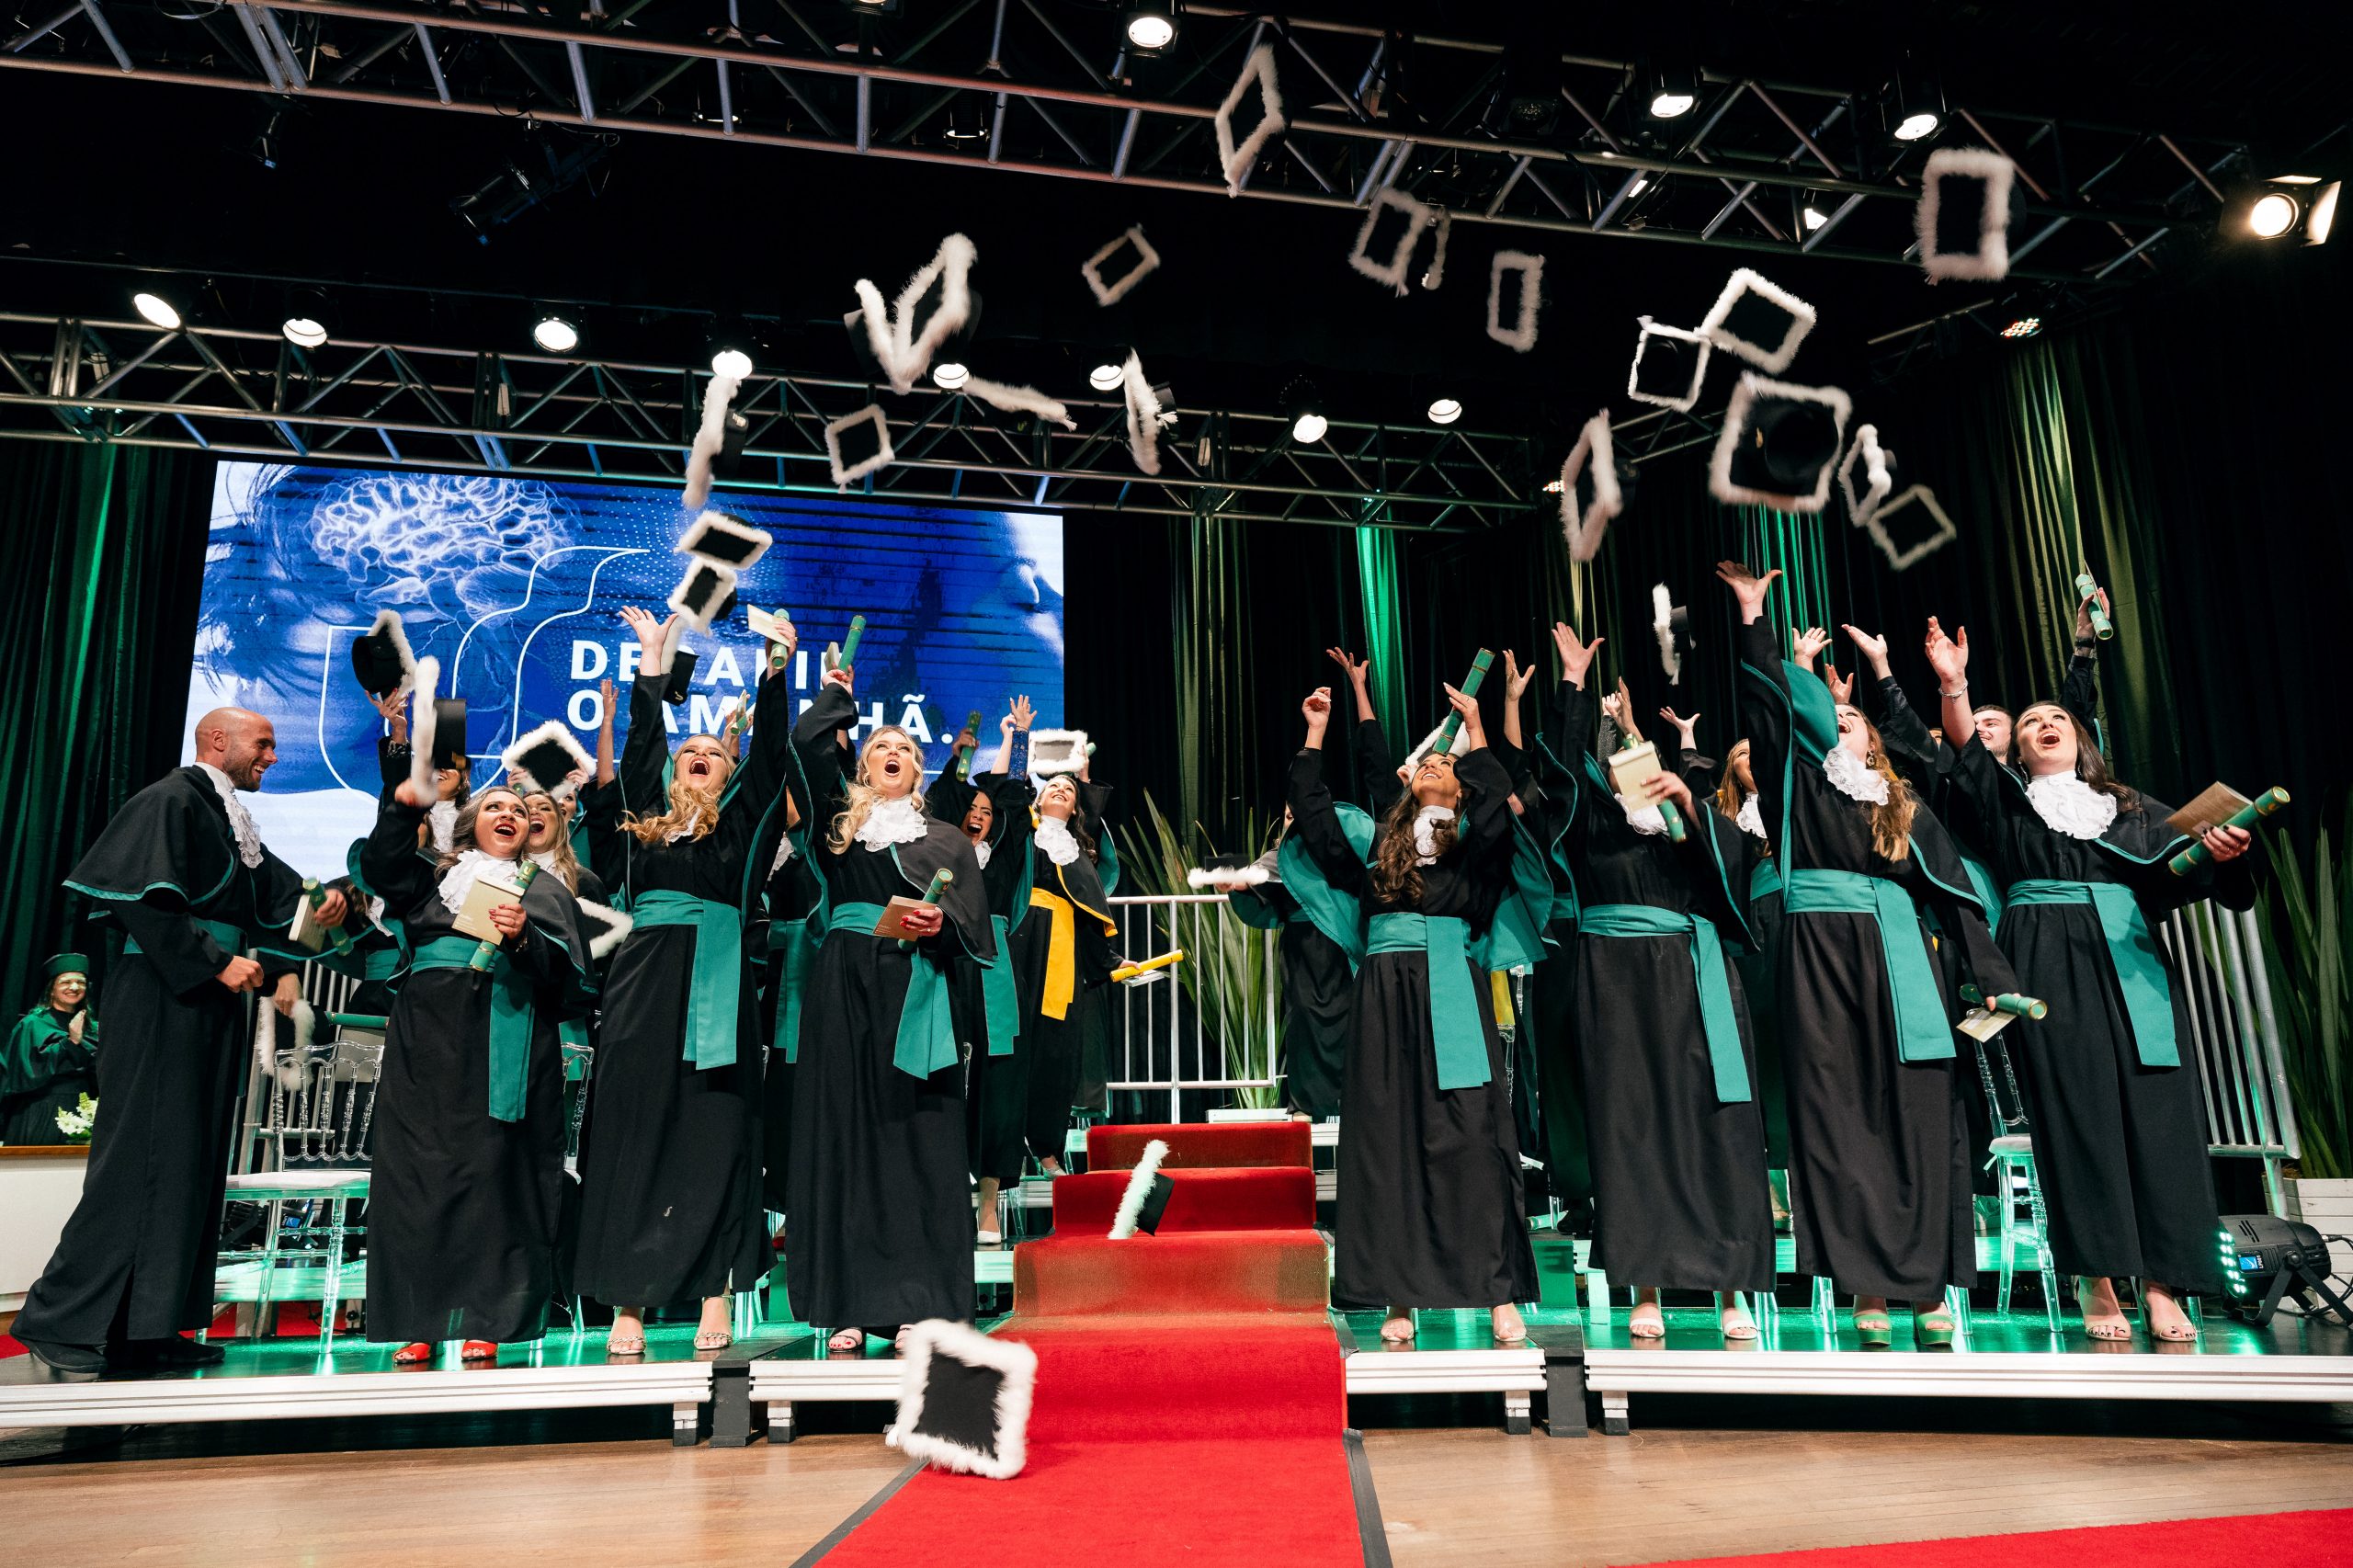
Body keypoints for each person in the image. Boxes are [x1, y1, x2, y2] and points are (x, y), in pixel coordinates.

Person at [1927, 617, 2254, 1342]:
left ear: (2081, 737)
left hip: (2130, 956)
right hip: (2046, 953)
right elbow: (1964, 750)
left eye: (2057, 718)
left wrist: (2222, 854)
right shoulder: (2009, 802)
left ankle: (2166, 1283)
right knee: (2080, 1114)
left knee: (2160, 1113)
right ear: (2018, 748)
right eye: (2031, 721)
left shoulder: (2129, 807)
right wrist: (1954, 684)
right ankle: (2097, 1278)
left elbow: (2176, 874)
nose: (2046, 724)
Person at [1722, 562, 2018, 1350]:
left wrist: (1989, 977)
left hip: (1900, 958)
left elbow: (1955, 893)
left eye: (1852, 717)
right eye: (1832, 715)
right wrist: (1754, 620)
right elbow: (1767, 705)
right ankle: (1867, 1290)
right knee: (1838, 1118)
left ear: (1873, 739)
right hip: (1819, 961)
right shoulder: (1796, 787)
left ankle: (1926, 1288)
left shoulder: (1903, 804)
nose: (1840, 721)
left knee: (1919, 1113)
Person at [15, 709, 335, 1375]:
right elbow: (138, 900)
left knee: (189, 1162)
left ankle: (149, 1327)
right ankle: (59, 1318)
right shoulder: (169, 799)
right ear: (217, 739)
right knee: (142, 1158)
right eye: (264, 743)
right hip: (164, 993)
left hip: (205, 999)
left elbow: (279, 897)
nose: (273, 757)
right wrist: (213, 961)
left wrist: (331, 903)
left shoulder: (227, 817)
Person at [1287, 681, 1536, 1346]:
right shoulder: (1377, 850)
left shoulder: (1475, 848)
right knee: (1389, 1138)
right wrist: (1316, 732)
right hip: (1383, 1000)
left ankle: (1498, 1295)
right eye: (1427, 761)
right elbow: (1314, 819)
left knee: (1473, 1138)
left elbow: (1499, 813)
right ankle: (1399, 1296)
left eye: (1446, 765)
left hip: (1452, 986)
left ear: (1463, 789)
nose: (1434, 765)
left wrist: (1475, 731)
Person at [574, 607, 795, 1357]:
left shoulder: (743, 825)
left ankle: (714, 1292)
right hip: (641, 987)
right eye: (689, 750)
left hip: (718, 989)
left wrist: (774, 669)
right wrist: (651, 657)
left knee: (714, 1135)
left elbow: (772, 757)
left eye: (713, 752)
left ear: (729, 775)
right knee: (633, 1132)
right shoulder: (644, 821)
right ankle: (628, 1302)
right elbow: (643, 746)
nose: (699, 754)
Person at [1545, 629, 1772, 1340]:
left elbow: (1730, 871)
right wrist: (1573, 686)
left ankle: (1730, 1292)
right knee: (1631, 1128)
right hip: (1615, 985)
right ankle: (1644, 1286)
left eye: (1641, 757)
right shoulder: (1593, 824)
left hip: (1695, 979)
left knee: (1716, 1123)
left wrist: (1690, 808)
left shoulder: (1693, 822)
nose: (1633, 768)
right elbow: (1561, 771)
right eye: (1620, 759)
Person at [788, 656, 995, 1351]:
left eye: (904, 747)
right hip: (845, 986)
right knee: (845, 1135)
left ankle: (919, 1301)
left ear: (918, 769)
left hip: (915, 988)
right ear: (863, 764)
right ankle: (848, 1302)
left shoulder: (944, 840)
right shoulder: (839, 827)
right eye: (880, 746)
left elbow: (975, 930)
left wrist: (942, 927)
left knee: (916, 1139)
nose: (892, 753)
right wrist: (835, 696)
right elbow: (802, 748)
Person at [361, 777, 595, 1364]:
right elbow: (383, 866)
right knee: (419, 1174)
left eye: (518, 810)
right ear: (471, 824)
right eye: (494, 806)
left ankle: (487, 1318)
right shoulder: (434, 877)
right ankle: (418, 1319)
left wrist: (524, 939)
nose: (508, 814)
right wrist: (401, 808)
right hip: (426, 1037)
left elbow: (573, 980)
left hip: (503, 1033)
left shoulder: (543, 889)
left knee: (496, 1175)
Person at [926, 699, 1038, 1243]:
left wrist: (1017, 742)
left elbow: (1013, 802)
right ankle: (941, 1204)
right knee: (943, 1080)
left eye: (986, 811)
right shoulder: (939, 850)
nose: (977, 813)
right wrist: (960, 758)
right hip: (945, 965)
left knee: (997, 1084)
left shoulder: (1005, 854)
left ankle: (989, 1205)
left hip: (992, 969)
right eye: (970, 807)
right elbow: (943, 799)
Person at [1017, 767, 1120, 1176]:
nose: (1060, 789)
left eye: (1069, 789)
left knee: (1056, 1052)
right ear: (1038, 799)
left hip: (1061, 949)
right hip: (1018, 940)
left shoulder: (1076, 853)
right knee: (1011, 1046)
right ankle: (1003, 1152)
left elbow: (1089, 915)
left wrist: (1113, 962)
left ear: (1076, 808)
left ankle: (1047, 1149)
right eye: (1053, 786)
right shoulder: (1021, 833)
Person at [2, 956, 99, 1146]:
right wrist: (70, 1043)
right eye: (65, 982)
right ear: (51, 989)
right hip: (41, 1110)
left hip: (84, 1110)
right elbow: (24, 1073)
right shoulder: (32, 1025)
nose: (74, 987)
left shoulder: (93, 1028)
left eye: (80, 982)